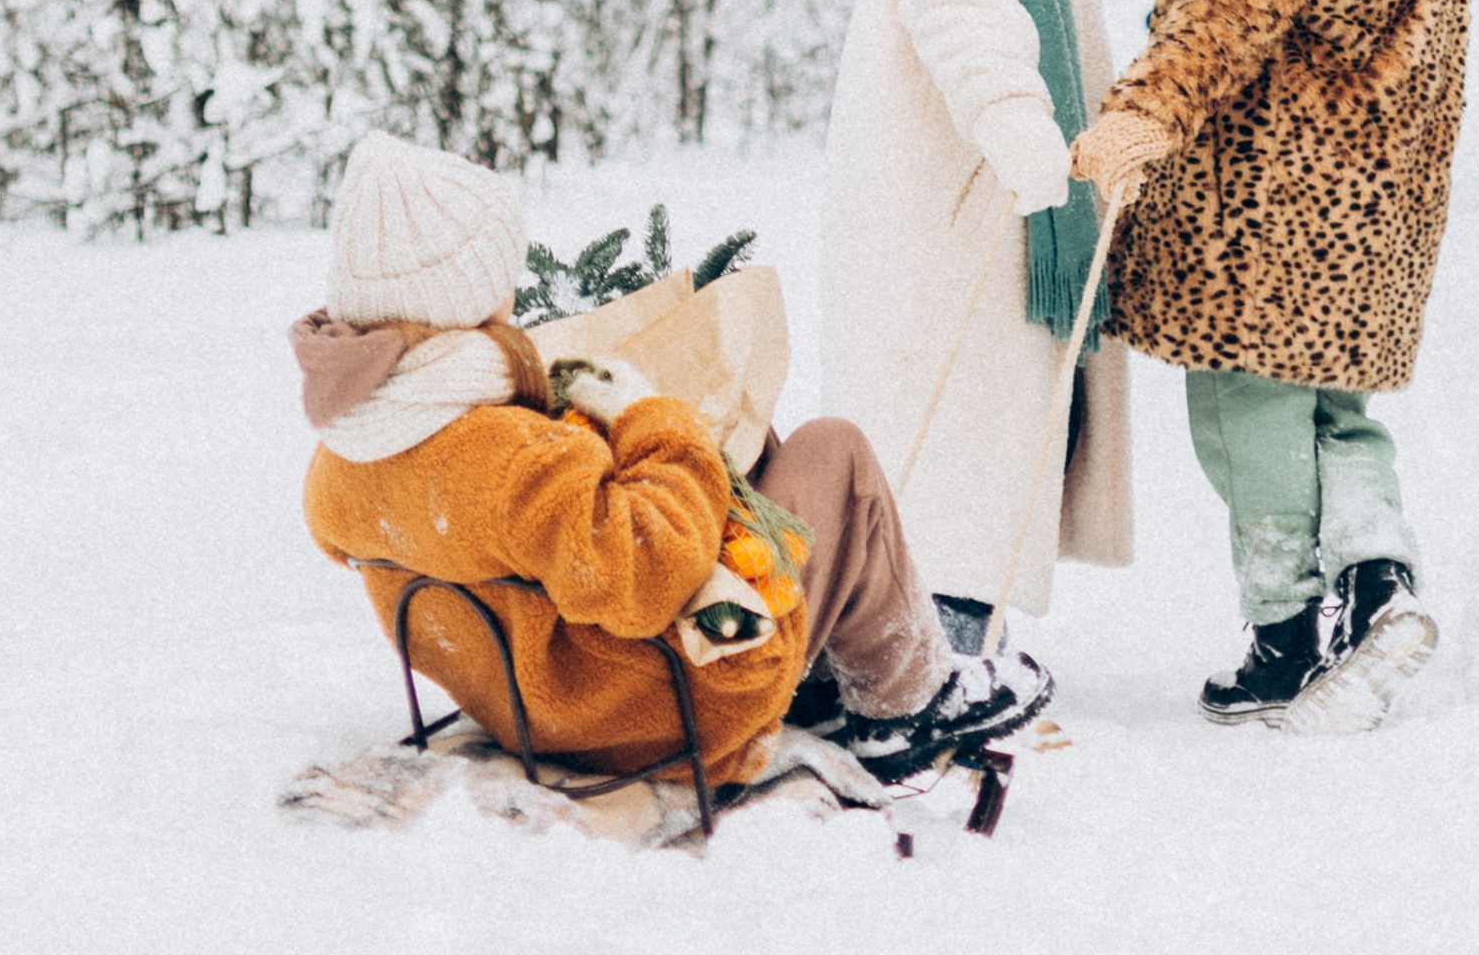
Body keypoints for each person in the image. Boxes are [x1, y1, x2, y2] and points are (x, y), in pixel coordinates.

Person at [297, 130, 1050, 788]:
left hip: (532, 703)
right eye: (496, 281)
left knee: (764, 466)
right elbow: (651, 568)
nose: (509, 298)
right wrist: (647, 418)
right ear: (454, 298)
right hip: (656, 711)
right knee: (835, 453)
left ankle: (827, 678)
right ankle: (910, 705)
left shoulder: (344, 460)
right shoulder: (505, 454)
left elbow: (509, 532)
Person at [1071, 0, 1470, 730]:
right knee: (1331, 409)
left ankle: (1285, 634)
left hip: (1264, 215)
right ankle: (1377, 577)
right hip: (1368, 214)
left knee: (1242, 412)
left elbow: (1223, 17)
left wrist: (1138, 118)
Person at [825, 0, 1134, 648]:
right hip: (961, 197)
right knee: (958, 432)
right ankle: (928, 656)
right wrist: (1028, 141)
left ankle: (949, 642)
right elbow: (962, 19)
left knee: (984, 432)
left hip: (994, 189)